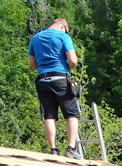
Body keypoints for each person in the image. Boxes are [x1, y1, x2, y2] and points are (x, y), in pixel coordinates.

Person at [28, 18, 81, 158]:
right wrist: (68, 67)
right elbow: (73, 60)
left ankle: (53, 150)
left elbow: (32, 63)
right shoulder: (63, 36)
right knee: (72, 114)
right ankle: (71, 148)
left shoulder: (36, 38)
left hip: (42, 79)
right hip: (60, 78)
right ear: (63, 26)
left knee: (49, 115)